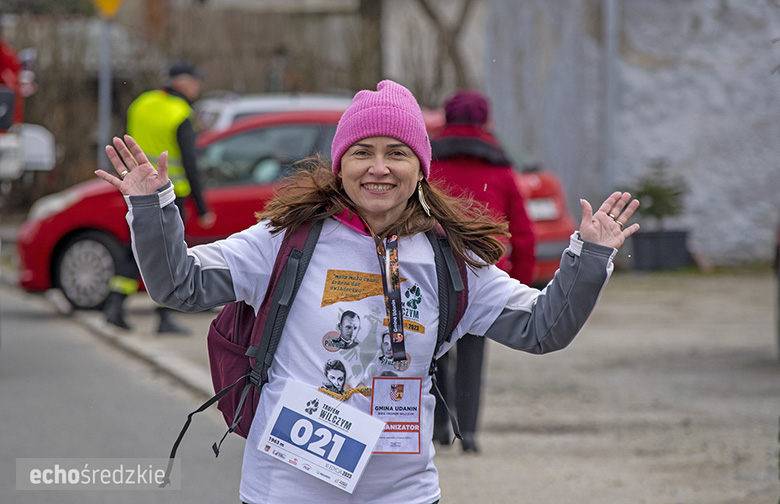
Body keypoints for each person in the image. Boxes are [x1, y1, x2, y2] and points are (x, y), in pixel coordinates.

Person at [96, 79, 639, 504]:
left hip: (404, 492)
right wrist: (152, 209)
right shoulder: (286, 242)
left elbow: (543, 328)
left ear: (421, 169)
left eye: (397, 153)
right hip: (286, 490)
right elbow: (178, 284)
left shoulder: (451, 260)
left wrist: (588, 260)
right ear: (340, 166)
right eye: (362, 152)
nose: (379, 168)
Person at [429, 89, 536, 453]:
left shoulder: (427, 165)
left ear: (446, 119)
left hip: (434, 274)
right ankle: (469, 432)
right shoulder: (501, 170)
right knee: (473, 352)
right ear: (486, 122)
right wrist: (517, 283)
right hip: (482, 275)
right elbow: (523, 233)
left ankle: (439, 425)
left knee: (434, 350)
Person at [102, 60, 215, 334]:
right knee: (170, 256)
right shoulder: (180, 113)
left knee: (136, 250)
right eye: (195, 81)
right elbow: (190, 164)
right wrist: (202, 208)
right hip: (169, 195)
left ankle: (115, 305)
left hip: (138, 191)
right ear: (182, 83)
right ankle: (165, 318)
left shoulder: (141, 103)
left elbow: (127, 142)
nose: (197, 87)